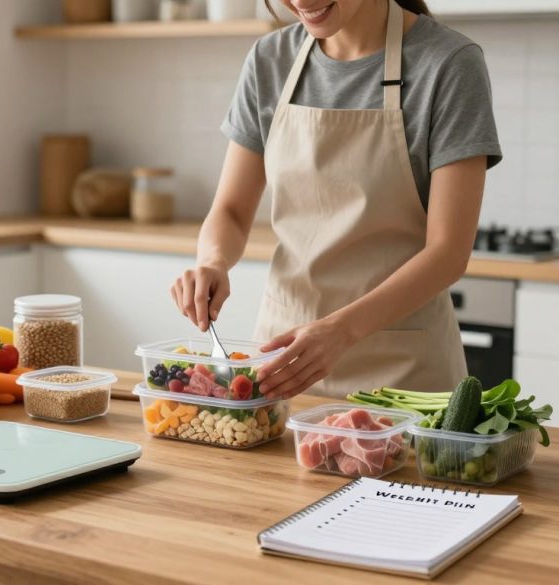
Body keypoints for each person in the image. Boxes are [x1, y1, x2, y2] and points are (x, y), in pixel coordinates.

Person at [170, 0, 501, 400]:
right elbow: (232, 211)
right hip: (283, 370)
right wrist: (212, 261)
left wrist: (340, 332)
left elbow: (448, 253)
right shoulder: (269, 60)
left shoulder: (448, 64)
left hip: (405, 382)